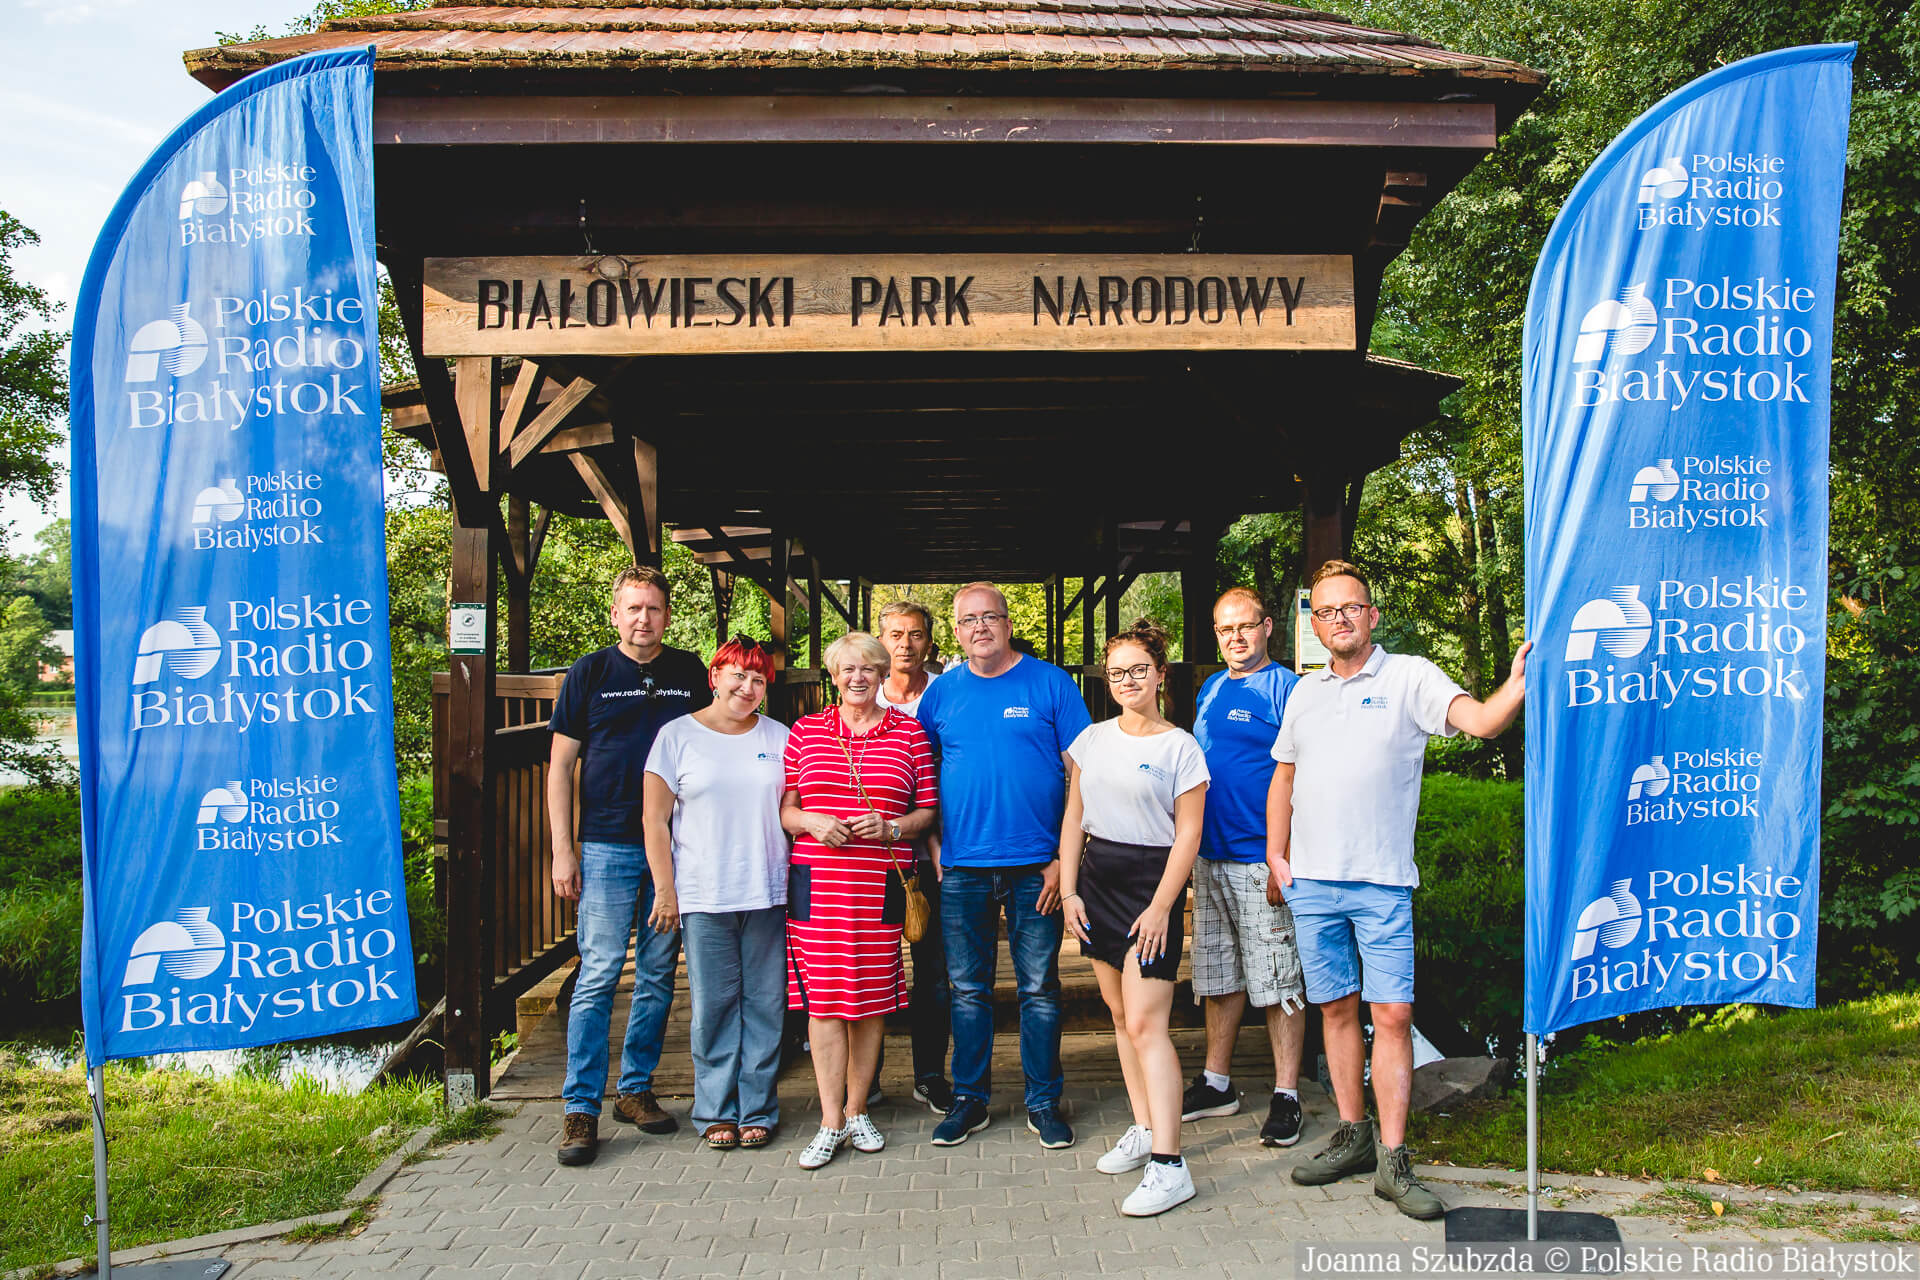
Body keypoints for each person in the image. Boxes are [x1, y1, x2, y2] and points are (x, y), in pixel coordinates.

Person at [1270, 560, 1529, 1218]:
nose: (1339, 619)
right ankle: (1351, 1136)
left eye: (1350, 607)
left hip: (1382, 883)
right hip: (1313, 884)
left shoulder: (1410, 676)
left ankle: (1392, 1158)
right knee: (1334, 1011)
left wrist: (1516, 686)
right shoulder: (1304, 693)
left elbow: (1482, 721)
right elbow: (1284, 776)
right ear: (1315, 625)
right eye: (1326, 611)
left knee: (1391, 1017)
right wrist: (1276, 856)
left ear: (1372, 615)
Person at [915, 582, 1092, 1150]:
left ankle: (1043, 1102)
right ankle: (970, 1100)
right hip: (962, 867)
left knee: (1039, 988)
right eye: (969, 620)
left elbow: (1083, 776)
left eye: (990, 616)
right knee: (968, 990)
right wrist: (935, 846)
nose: (980, 627)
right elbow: (922, 777)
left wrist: (1064, 860)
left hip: (1037, 867)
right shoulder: (941, 695)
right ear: (956, 631)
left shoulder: (1051, 684)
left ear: (1008, 623)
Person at [547, 564, 711, 1167]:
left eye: (654, 608)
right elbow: (560, 768)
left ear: (667, 615)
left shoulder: (689, 673)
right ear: (615, 614)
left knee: (659, 973)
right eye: (633, 608)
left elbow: (716, 742)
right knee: (598, 975)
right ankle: (580, 1107)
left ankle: (635, 1089)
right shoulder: (589, 673)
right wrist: (563, 849)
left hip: (675, 845)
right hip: (607, 844)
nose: (644, 619)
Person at [1060, 620, 1210, 1217]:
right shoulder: (1091, 739)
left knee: (1149, 1025)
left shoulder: (1181, 748)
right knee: (1121, 1016)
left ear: (1160, 674)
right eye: (1117, 672)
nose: (1127, 680)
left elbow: (1189, 835)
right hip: (1096, 883)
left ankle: (1171, 1166)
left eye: (1138, 670)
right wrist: (1069, 891)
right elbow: (1074, 817)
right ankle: (1145, 1128)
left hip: (1152, 888)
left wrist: (1162, 907)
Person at [781, 631, 939, 1169]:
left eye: (868, 669)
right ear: (833, 676)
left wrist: (892, 826)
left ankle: (857, 1110)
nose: (858, 678)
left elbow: (927, 812)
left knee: (870, 1001)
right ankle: (829, 1121)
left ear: (881, 675)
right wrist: (811, 821)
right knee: (825, 1003)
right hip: (818, 885)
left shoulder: (910, 734)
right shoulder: (806, 731)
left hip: (879, 883)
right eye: (847, 669)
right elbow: (786, 811)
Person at [642, 635, 790, 1151]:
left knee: (767, 1003)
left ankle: (758, 1108)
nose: (747, 687)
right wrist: (665, 890)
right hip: (705, 892)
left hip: (767, 889)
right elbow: (654, 820)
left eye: (758, 679)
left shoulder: (780, 736)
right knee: (714, 1005)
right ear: (715, 677)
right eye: (738, 675)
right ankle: (715, 1109)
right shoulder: (676, 736)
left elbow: (795, 806)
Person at [1182, 587, 1309, 1148]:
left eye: (1245, 626)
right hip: (1210, 856)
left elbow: (1308, 776)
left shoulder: (1289, 690)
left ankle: (1287, 1094)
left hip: (1261, 858)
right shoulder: (1211, 687)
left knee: (1279, 978)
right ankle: (1217, 1083)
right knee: (1219, 975)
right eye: (1224, 629)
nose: (1235, 637)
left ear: (1267, 627)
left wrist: (1287, 856)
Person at [874, 599, 953, 1115]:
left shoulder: (947, 693)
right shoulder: (862, 691)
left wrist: (940, 841)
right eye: (896, 635)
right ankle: (866, 1079)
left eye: (916, 634)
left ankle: (930, 1075)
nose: (906, 644)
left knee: (934, 972)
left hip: (934, 855)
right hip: (874, 859)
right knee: (872, 966)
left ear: (929, 641)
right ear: (881, 641)